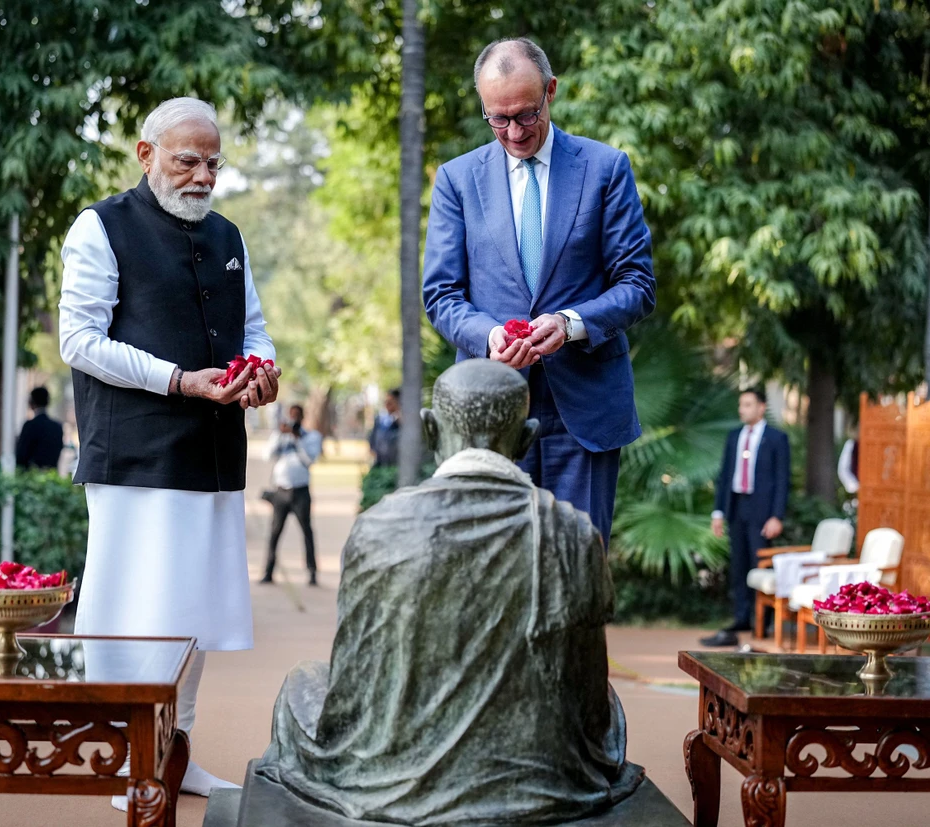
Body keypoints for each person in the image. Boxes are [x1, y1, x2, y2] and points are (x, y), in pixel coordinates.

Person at [257, 360, 642, 824]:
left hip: (393, 774)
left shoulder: (379, 526)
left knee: (304, 678)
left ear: (431, 430)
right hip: (542, 774)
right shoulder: (573, 533)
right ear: (527, 438)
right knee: (609, 701)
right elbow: (587, 705)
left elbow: (350, 699)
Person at [58, 96, 279, 811]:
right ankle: (128, 762)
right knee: (138, 610)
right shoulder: (101, 226)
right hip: (134, 456)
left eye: (213, 162)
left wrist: (261, 371)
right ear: (146, 154)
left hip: (212, 454)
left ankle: (176, 753)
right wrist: (180, 380)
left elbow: (256, 328)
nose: (203, 175)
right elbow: (79, 342)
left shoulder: (227, 235)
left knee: (193, 614)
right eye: (187, 159)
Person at [422, 37, 656, 546]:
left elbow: (637, 284)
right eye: (497, 119)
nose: (513, 132)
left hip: (586, 412)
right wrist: (489, 336)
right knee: (496, 572)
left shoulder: (605, 168)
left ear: (550, 91)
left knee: (578, 571)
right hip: (490, 412)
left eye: (526, 115)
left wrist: (570, 324)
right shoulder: (457, 180)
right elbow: (441, 294)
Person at [702, 388, 790, 647]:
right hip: (737, 507)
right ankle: (742, 618)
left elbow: (783, 480)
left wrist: (776, 515)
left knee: (759, 562)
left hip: (762, 511)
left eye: (748, 404)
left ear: (761, 407)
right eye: (741, 405)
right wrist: (718, 512)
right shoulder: (734, 437)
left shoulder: (776, 438)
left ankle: (766, 621)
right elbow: (725, 476)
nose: (742, 409)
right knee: (739, 565)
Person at [261, 404, 322, 586]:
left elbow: (309, 461)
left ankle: (312, 572)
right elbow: (267, 455)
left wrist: (297, 440)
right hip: (281, 490)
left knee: (306, 532)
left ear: (302, 417)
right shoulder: (281, 436)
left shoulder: (311, 437)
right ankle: (268, 572)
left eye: (297, 416)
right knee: (275, 532)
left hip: (301, 490)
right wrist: (281, 435)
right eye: (291, 416)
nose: (293, 420)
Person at [15, 386, 65, 470]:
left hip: (32, 477)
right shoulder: (57, 426)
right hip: (51, 476)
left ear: (31, 403)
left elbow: (21, 456)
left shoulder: (29, 425)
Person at [368, 388, 401, 467]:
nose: (387, 405)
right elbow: (374, 434)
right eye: (386, 402)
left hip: (394, 459)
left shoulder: (400, 418)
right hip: (380, 457)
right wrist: (372, 448)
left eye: (390, 403)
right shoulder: (380, 418)